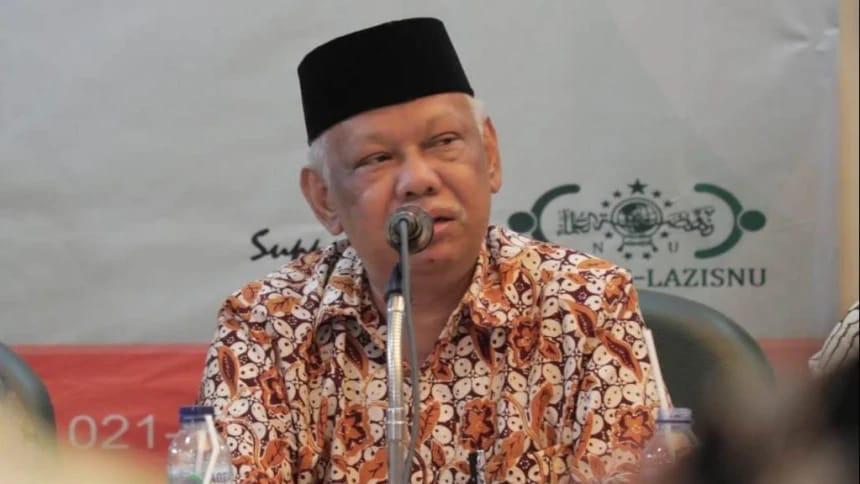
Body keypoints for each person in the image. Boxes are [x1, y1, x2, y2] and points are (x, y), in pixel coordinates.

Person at [198, 18, 660, 483]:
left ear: (490, 155)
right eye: (376, 159)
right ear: (324, 198)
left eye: (443, 143)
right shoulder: (266, 322)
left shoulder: (586, 301)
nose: (418, 180)